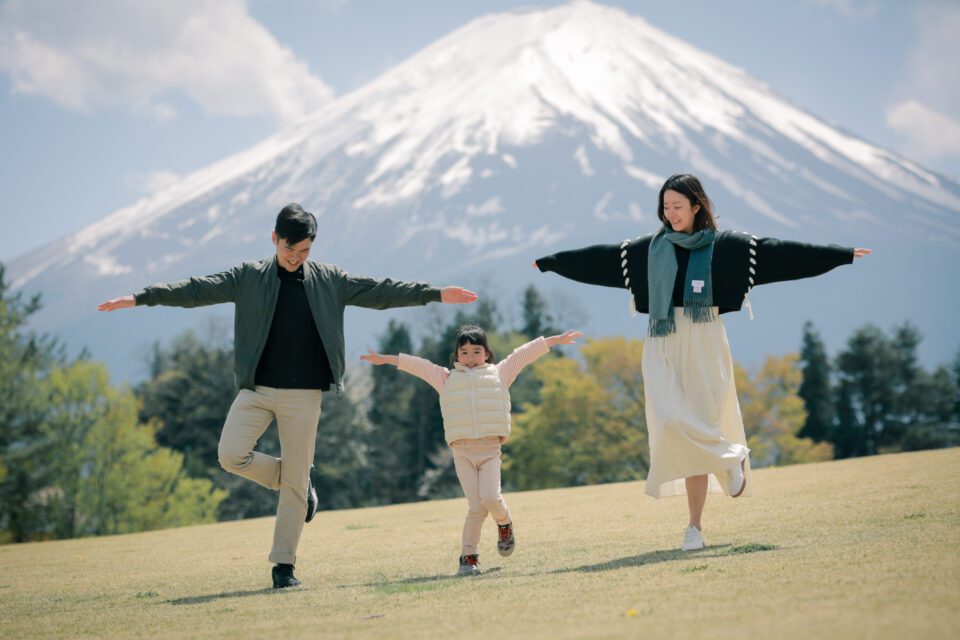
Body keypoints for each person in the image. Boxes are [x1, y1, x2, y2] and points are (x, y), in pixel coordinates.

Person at [98, 203, 478, 588]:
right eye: (289, 251)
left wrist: (434, 293)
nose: (295, 259)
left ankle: (284, 567)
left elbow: (381, 291)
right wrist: (140, 297)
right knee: (231, 455)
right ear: (274, 239)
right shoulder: (247, 277)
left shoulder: (330, 279)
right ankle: (298, 481)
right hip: (257, 389)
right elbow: (196, 289)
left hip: (304, 395)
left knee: (294, 485)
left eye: (304, 252)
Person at [533, 174, 871, 551]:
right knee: (670, 420)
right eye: (665, 207)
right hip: (662, 338)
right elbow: (600, 259)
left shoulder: (727, 247)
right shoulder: (649, 249)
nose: (670, 213)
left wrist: (838, 254)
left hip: (705, 336)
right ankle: (730, 457)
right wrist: (554, 262)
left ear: (697, 206)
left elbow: (781, 254)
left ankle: (694, 527)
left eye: (678, 206)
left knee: (696, 425)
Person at [360, 325, 582, 575]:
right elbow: (417, 364)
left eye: (476, 351)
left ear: (486, 353)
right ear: (456, 356)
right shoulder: (445, 378)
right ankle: (469, 558)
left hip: (489, 449)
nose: (470, 357)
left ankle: (504, 523)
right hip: (462, 451)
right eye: (464, 352)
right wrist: (385, 359)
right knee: (475, 507)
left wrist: (554, 340)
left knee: (489, 498)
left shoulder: (500, 373)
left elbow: (523, 354)